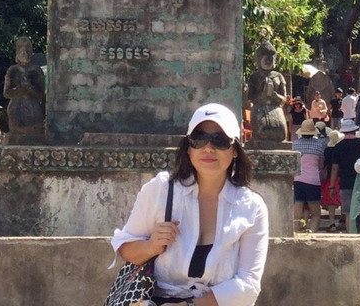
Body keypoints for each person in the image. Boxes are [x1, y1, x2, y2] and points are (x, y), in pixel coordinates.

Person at [112, 102, 268, 306]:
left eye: (219, 140)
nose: (208, 148)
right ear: (188, 148)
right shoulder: (160, 189)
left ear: (235, 149)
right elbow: (125, 248)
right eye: (199, 138)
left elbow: (249, 284)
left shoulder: (251, 207)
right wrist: (151, 246)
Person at [3, 36, 46, 144]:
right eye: (22, 51)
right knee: (17, 133)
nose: (25, 53)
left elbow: (41, 93)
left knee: (34, 132)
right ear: (17, 53)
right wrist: (19, 89)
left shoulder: (36, 70)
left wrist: (30, 89)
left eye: (28, 50)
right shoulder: (13, 70)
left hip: (33, 107)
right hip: (17, 107)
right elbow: (6, 93)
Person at [330, 119, 360, 232]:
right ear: (354, 130)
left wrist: (332, 186)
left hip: (345, 182)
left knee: (348, 212)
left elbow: (334, 167)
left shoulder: (338, 146)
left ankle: (350, 233)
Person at [292, 119, 327, 233]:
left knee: (298, 206)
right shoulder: (319, 145)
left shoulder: (295, 144)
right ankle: (312, 233)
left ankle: (296, 232)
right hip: (313, 180)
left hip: (298, 179)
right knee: (316, 213)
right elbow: (321, 164)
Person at [321, 128, 342, 231]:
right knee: (342, 200)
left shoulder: (327, 150)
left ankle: (332, 222)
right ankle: (343, 220)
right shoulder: (341, 148)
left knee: (330, 202)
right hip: (341, 177)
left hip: (329, 178)